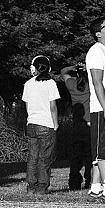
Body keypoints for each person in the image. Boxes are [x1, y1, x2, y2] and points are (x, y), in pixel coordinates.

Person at [85, 17, 105, 199]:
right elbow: (97, 83)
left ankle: (96, 185)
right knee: (103, 150)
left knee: (104, 147)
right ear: (98, 34)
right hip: (101, 107)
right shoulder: (96, 51)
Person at [21, 55, 62, 194]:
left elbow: (27, 107)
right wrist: (55, 124)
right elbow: (53, 107)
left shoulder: (28, 84)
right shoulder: (50, 84)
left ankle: (31, 186)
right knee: (45, 158)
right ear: (48, 68)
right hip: (46, 124)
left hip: (31, 124)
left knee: (33, 157)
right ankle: (42, 187)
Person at [59, 63, 93, 192]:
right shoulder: (91, 85)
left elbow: (63, 72)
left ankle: (74, 182)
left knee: (76, 156)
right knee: (90, 155)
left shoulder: (72, 84)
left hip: (77, 123)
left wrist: (73, 67)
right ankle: (90, 180)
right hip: (89, 123)